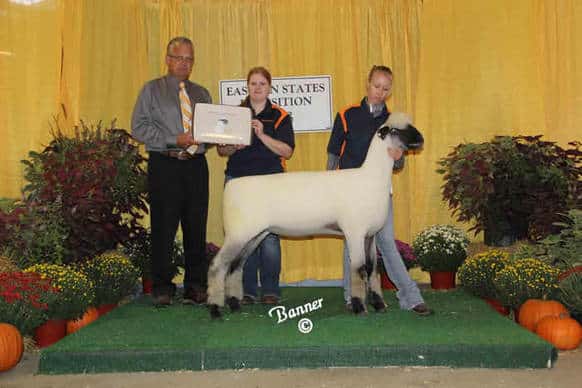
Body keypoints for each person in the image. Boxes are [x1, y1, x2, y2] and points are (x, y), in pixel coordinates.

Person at [326, 65, 432, 316]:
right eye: (376, 86)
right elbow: (333, 154)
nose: (380, 92)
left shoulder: (394, 122)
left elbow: (399, 163)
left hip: (380, 194)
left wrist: (397, 156)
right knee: (352, 243)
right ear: (368, 83)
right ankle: (352, 296)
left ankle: (410, 296)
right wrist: (330, 189)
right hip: (348, 193)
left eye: (385, 88)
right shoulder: (346, 115)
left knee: (386, 241)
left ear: (390, 90)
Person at [131, 36, 212, 306]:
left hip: (196, 166)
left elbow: (209, 133)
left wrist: (217, 137)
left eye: (189, 59)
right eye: (179, 58)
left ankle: (195, 286)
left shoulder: (202, 94)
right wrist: (173, 138)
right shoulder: (151, 90)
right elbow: (139, 128)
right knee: (163, 227)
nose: (184, 63)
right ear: (167, 59)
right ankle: (163, 287)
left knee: (196, 226)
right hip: (164, 163)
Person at [217, 66, 295, 305]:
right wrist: (234, 146)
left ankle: (271, 289)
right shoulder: (236, 113)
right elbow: (222, 149)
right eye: (253, 84)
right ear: (247, 86)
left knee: (270, 236)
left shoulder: (280, 116)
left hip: (270, 182)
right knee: (243, 236)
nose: (257, 88)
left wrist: (262, 135)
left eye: (262, 84)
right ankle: (248, 290)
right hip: (239, 181)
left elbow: (287, 151)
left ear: (269, 87)